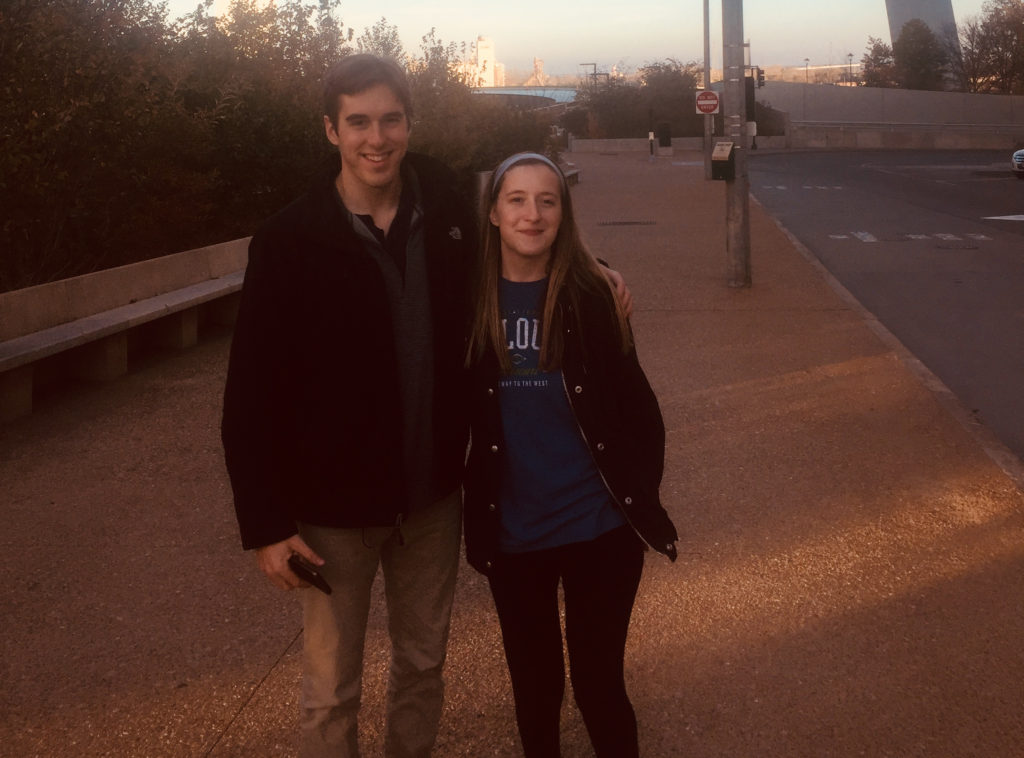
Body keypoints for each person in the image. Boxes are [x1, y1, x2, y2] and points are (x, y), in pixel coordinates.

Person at [221, 55, 475, 757]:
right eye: (358, 121)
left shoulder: (449, 211)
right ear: (330, 130)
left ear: (410, 123)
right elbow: (249, 392)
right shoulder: (289, 240)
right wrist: (266, 525)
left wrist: (594, 269)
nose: (377, 137)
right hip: (332, 517)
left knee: (422, 669)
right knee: (331, 689)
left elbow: (527, 247)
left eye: (390, 119)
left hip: (431, 503)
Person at [462, 152, 679, 758]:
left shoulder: (592, 297)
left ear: (564, 212)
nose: (532, 214)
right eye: (516, 199)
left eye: (547, 200)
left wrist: (637, 491)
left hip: (600, 530)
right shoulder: (467, 302)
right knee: (535, 693)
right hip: (515, 536)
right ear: (492, 214)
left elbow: (640, 411)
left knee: (600, 687)